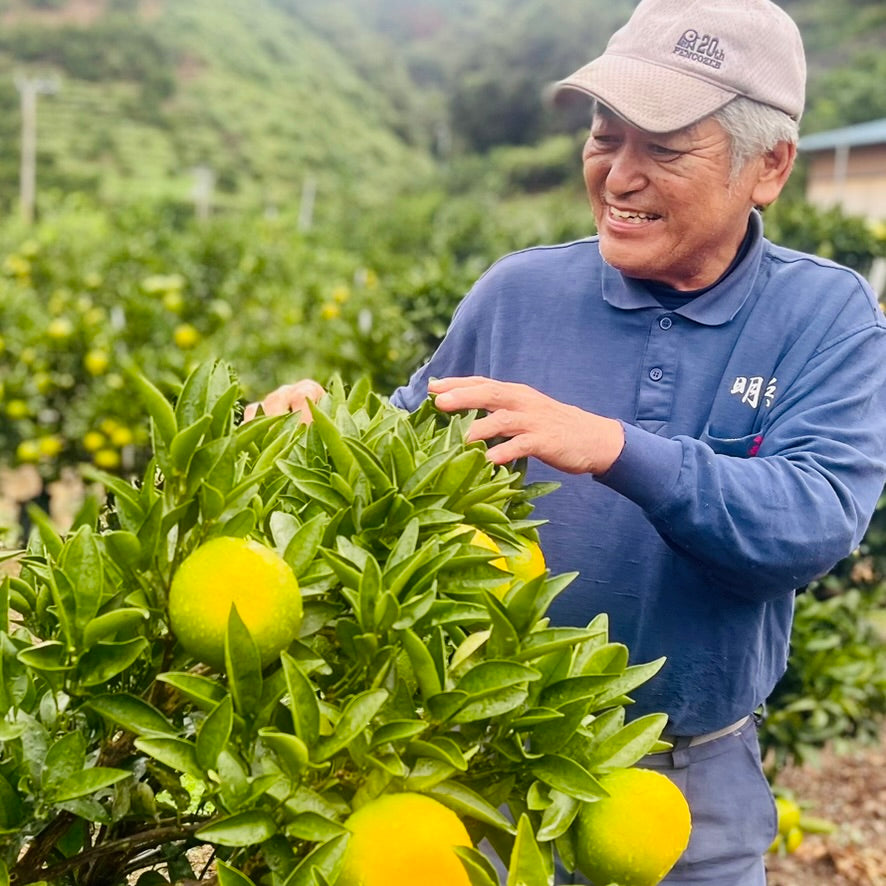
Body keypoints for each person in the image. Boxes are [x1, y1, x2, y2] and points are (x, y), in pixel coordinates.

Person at [245, 0, 886, 882]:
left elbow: (812, 521)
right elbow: (404, 454)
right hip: (481, 768)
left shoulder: (824, 316)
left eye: (663, 149)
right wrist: (315, 436)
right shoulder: (517, 294)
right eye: (604, 136)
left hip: (681, 793)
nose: (619, 176)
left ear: (768, 166)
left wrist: (616, 449)